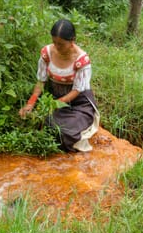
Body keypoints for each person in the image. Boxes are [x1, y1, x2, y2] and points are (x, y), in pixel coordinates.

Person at [19, 19, 100, 152]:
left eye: (61, 44)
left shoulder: (81, 60)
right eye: (54, 42)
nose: (57, 47)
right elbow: (41, 81)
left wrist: (54, 105)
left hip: (78, 104)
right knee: (37, 122)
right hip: (54, 99)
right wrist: (31, 103)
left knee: (64, 132)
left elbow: (77, 91)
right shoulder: (47, 53)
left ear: (72, 40)